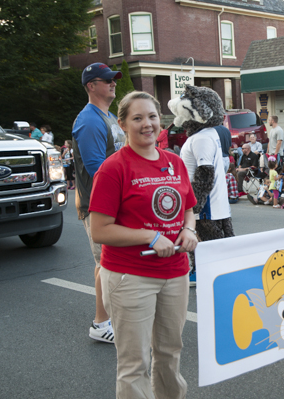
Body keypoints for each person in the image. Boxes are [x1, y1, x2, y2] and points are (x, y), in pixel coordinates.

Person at [89, 91, 198, 398]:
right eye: (137, 118)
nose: (146, 124)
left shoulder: (175, 163)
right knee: (135, 362)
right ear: (122, 124)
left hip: (175, 272)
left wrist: (189, 230)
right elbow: (99, 230)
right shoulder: (113, 168)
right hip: (130, 276)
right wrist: (148, 236)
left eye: (151, 116)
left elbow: (188, 208)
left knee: (169, 353)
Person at [72, 62, 124, 343]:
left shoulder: (109, 116)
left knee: (107, 261)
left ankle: (110, 317)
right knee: (107, 263)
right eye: (107, 80)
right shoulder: (89, 120)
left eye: (113, 79)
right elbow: (96, 167)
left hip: (110, 202)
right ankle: (101, 324)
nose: (113, 83)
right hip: (99, 204)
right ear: (91, 86)